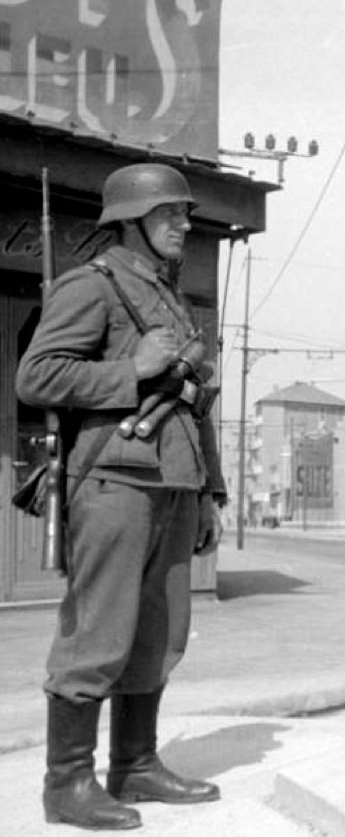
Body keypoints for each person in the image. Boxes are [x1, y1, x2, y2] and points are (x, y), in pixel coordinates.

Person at [17, 164, 225, 830]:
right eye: (169, 214)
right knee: (98, 633)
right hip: (112, 482)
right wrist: (129, 370)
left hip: (175, 484)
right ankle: (67, 783)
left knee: (160, 634)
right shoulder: (93, 287)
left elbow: (194, 406)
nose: (184, 225)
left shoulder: (171, 298)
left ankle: (134, 764)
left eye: (184, 214)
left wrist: (211, 490)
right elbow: (36, 375)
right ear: (130, 221)